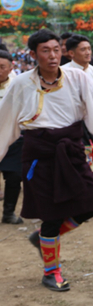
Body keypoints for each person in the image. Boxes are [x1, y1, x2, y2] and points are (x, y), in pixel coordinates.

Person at [0, 29, 93, 292]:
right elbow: (4, 122)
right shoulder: (21, 84)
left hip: (71, 151)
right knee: (51, 216)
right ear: (33, 55)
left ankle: (41, 239)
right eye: (45, 50)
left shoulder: (77, 77)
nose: (52, 55)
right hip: (39, 154)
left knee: (89, 205)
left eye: (56, 49)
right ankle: (51, 271)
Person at [0, 50, 23, 224]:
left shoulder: (19, 86)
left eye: (2, 67)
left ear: (10, 68)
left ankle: (9, 213)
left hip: (13, 139)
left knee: (14, 176)